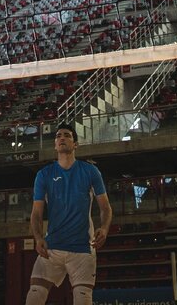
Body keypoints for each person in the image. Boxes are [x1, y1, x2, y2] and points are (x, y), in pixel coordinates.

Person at [26, 124, 112, 305]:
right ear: (55, 145)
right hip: (52, 246)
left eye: (67, 135)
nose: (62, 138)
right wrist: (38, 237)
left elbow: (105, 207)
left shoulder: (90, 171)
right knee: (34, 294)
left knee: (83, 298)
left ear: (75, 144)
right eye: (58, 136)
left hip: (82, 247)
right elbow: (36, 213)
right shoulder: (44, 175)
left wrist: (104, 228)